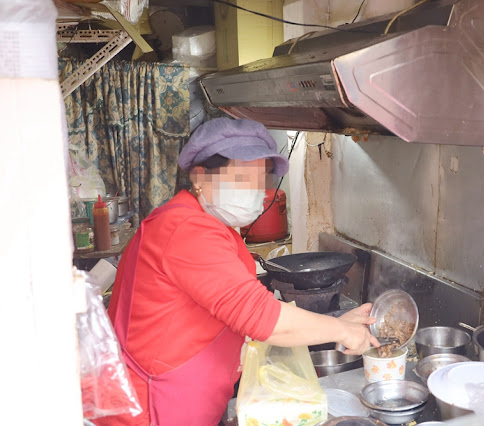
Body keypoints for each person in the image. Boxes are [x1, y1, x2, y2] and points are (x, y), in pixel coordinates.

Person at [99, 118, 379, 426]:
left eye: (259, 180)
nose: (254, 191)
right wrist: (341, 331)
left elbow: (238, 308)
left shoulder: (207, 226)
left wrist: (334, 321)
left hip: (179, 401)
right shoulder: (186, 230)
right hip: (153, 410)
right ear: (200, 176)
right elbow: (261, 318)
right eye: (240, 177)